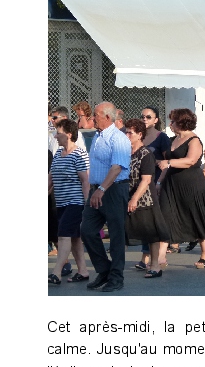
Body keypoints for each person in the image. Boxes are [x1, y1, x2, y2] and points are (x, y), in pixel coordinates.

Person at [81, 102, 131, 291]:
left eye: (96, 115)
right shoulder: (97, 136)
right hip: (97, 189)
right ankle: (104, 270)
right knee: (87, 230)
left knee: (116, 235)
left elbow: (117, 167)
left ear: (108, 117)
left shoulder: (118, 138)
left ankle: (116, 277)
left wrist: (101, 189)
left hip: (113, 190)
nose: (92, 118)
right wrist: (95, 189)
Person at [157, 108, 205, 268]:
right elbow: (166, 166)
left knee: (195, 216)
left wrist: (169, 162)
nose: (170, 124)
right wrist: (159, 182)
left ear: (182, 123)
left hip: (191, 184)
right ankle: (160, 256)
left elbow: (191, 160)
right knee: (165, 216)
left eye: (173, 121)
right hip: (171, 184)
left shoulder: (194, 140)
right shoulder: (174, 139)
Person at [48, 118, 90, 284]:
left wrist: (86, 205)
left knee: (63, 235)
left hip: (75, 202)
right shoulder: (58, 154)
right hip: (61, 203)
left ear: (69, 134)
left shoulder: (79, 154)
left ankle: (56, 272)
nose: (55, 136)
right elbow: (50, 178)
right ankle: (83, 271)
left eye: (58, 133)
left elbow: (85, 181)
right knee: (74, 238)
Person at [124, 119, 168, 277]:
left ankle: (155, 265)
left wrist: (135, 198)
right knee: (123, 231)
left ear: (140, 134)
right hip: (126, 196)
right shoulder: (125, 153)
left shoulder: (146, 154)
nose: (127, 135)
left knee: (152, 233)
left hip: (145, 199)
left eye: (130, 133)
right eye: (126, 132)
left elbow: (146, 179)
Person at [136, 107, 173, 268]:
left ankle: (152, 257)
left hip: (155, 183)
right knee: (144, 221)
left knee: (152, 220)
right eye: (143, 116)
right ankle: (146, 256)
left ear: (156, 120)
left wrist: (159, 182)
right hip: (139, 184)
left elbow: (167, 163)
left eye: (148, 117)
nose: (144, 119)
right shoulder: (138, 136)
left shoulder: (162, 138)